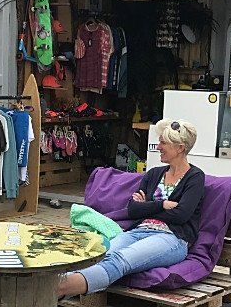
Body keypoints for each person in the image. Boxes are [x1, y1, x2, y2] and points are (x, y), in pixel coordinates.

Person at [57, 119, 205, 297]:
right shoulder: (154, 173)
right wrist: (162, 205)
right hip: (139, 231)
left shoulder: (195, 177)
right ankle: (52, 289)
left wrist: (147, 206)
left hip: (171, 238)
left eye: (163, 143)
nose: (158, 147)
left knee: (119, 259)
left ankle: (59, 290)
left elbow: (181, 215)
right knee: (97, 255)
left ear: (180, 148)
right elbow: (133, 210)